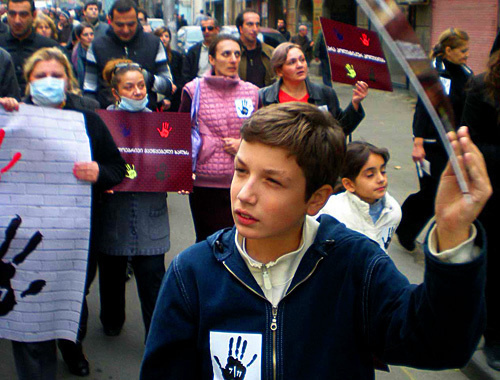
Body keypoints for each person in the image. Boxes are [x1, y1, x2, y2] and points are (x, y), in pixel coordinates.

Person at [140, 101, 491, 379]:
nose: (244, 194)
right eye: (241, 170)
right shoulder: (193, 274)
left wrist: (452, 230)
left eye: (272, 181)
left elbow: (440, 345)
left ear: (317, 198)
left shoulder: (356, 266)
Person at [0, 46, 125, 378]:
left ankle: (72, 347)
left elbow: (119, 169)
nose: (49, 82)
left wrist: (98, 172)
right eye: (40, 76)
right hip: (22, 242)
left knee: (70, 298)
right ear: (26, 82)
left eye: (56, 76)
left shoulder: (88, 121)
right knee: (27, 309)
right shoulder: (13, 118)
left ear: (69, 82)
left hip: (74, 236)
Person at [95, 58, 170, 339]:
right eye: (129, 87)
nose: (138, 92)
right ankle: (111, 320)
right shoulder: (102, 124)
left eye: (141, 86)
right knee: (112, 275)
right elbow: (95, 163)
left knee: (152, 276)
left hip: (151, 211)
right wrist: (102, 179)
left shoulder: (163, 124)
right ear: (116, 93)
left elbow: (174, 160)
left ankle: (156, 332)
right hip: (114, 210)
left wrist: (180, 179)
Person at [396, 28, 472, 252]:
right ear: (448, 50)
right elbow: (423, 109)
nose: (467, 54)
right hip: (431, 145)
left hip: (452, 144)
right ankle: (405, 227)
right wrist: (418, 142)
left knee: (445, 193)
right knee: (431, 194)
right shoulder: (436, 74)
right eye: (463, 50)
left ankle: (431, 236)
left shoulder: (464, 71)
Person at [179, 34, 259, 242]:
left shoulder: (253, 92)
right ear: (212, 59)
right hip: (205, 184)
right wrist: (180, 174)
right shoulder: (193, 90)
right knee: (209, 241)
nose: (233, 59)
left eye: (237, 54)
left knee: (241, 240)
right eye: (226, 54)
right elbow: (180, 134)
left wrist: (244, 145)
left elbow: (264, 135)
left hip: (243, 180)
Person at [461, 49, 500, 371]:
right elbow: (471, 145)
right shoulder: (481, 87)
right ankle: (490, 334)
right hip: (492, 194)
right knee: (491, 268)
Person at [259, 42, 367, 136]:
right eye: (292, 62)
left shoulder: (325, 93)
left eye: (302, 60)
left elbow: (340, 130)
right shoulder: (264, 97)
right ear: (279, 71)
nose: (300, 65)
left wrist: (355, 103)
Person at [83, 0, 174, 110]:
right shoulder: (97, 46)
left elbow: (169, 86)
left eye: (131, 24)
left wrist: (147, 78)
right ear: (110, 20)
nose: (126, 30)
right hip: (108, 119)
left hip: (147, 119)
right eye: (120, 25)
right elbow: (89, 89)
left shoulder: (154, 43)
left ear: (137, 20)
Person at [316, 141, 401, 252]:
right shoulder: (329, 212)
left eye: (383, 171)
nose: (381, 179)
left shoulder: (393, 211)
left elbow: (383, 247)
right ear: (349, 184)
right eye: (370, 175)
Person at [0, 0, 59, 94]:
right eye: (12, 14)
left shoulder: (49, 47)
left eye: (23, 15)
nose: (17, 20)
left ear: (34, 15)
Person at [236, 9, 275, 88]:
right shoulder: (233, 53)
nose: (255, 29)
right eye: (250, 24)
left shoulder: (270, 52)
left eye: (257, 25)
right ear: (241, 29)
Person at [154, 26, 184, 111]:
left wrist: (170, 97)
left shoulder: (176, 56)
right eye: (160, 36)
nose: (163, 39)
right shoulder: (153, 55)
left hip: (174, 99)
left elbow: (180, 78)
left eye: (166, 36)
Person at [182, 17, 219, 84]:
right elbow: (186, 74)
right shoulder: (193, 51)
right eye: (203, 29)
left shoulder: (224, 49)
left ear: (217, 29)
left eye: (210, 28)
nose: (206, 31)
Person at [72, 22, 94, 90]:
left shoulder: (98, 50)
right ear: (78, 37)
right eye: (85, 35)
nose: (89, 37)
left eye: (91, 34)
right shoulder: (75, 54)